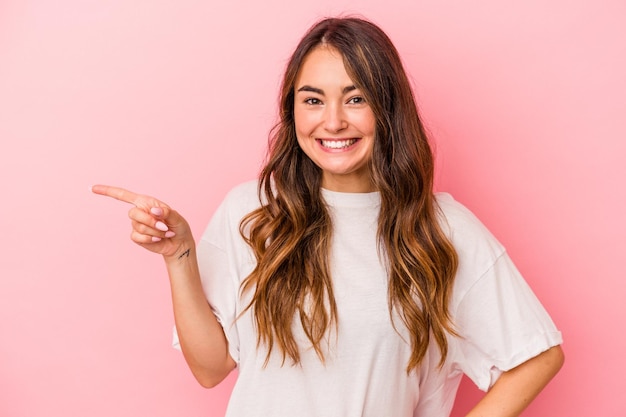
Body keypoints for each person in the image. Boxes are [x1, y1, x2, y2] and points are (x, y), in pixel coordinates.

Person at [92, 16, 564, 417]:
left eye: (356, 99)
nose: (333, 121)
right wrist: (179, 256)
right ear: (293, 109)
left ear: (388, 109)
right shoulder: (252, 213)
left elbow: (538, 356)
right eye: (313, 100)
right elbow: (210, 368)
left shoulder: (439, 229)